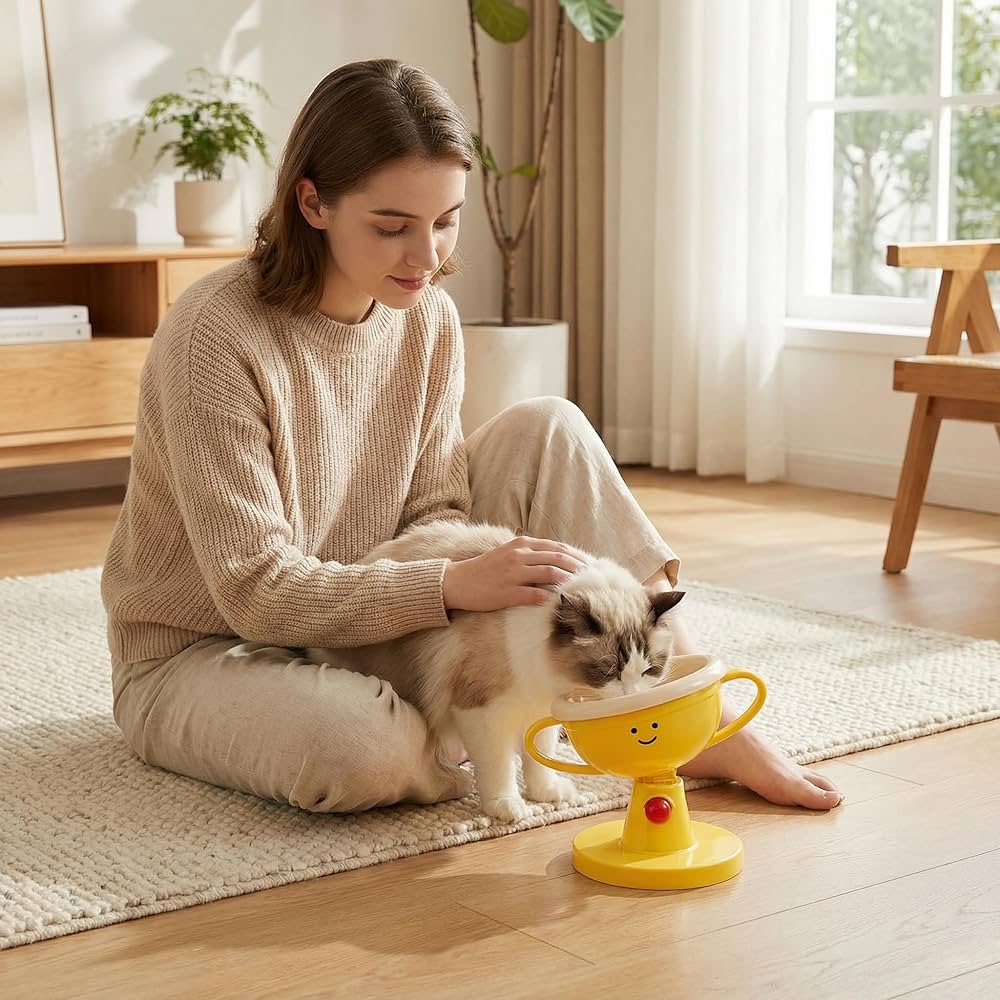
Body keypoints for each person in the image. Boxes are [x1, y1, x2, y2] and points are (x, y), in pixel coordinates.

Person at [102, 59, 842, 815]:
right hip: (210, 651)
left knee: (549, 426)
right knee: (363, 750)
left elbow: (433, 516)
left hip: (388, 633)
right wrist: (452, 587)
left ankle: (680, 704)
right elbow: (255, 592)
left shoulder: (427, 317)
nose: (427, 259)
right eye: (392, 227)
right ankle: (460, 735)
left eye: (446, 221)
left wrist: (450, 584)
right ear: (313, 202)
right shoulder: (213, 335)